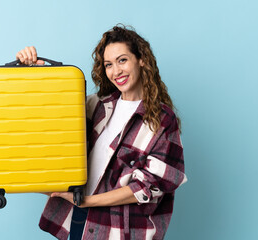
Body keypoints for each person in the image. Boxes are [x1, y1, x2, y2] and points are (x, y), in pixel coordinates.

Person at [16, 25, 187, 240]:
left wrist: (86, 201)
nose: (116, 71)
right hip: (80, 220)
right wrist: (32, 72)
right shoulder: (95, 106)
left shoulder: (162, 121)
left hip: (121, 231)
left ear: (141, 59)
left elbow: (149, 186)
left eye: (122, 60)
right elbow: (45, 122)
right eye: (108, 64)